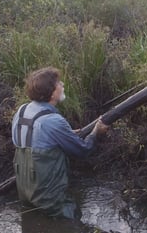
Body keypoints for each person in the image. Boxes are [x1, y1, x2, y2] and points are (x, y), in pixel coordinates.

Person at [11, 66, 109, 219]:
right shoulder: (53, 120)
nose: (62, 84)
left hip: (25, 193)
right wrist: (97, 132)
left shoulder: (22, 110)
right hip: (49, 199)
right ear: (51, 92)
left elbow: (33, 139)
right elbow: (83, 150)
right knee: (71, 222)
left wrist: (67, 134)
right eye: (58, 83)